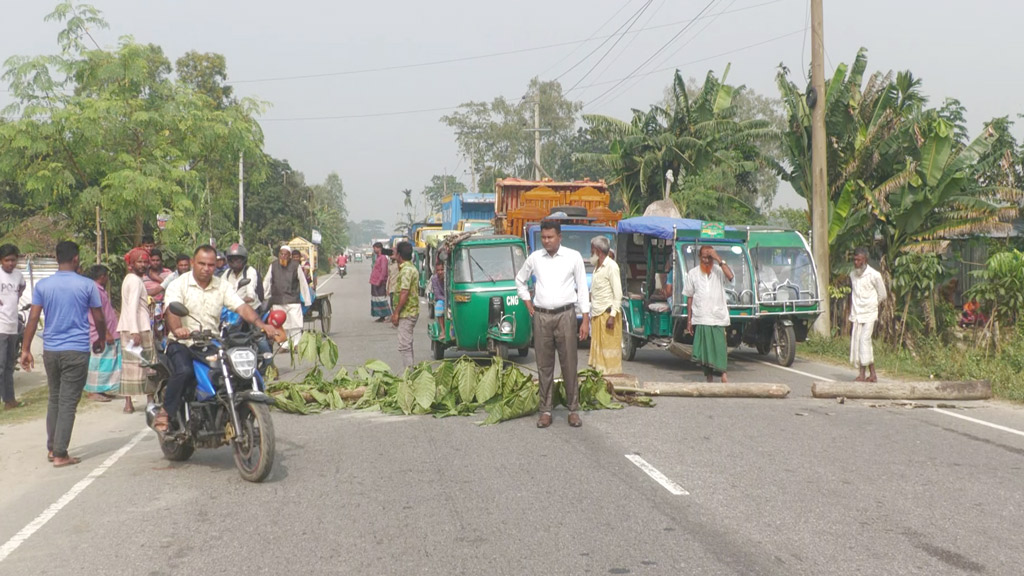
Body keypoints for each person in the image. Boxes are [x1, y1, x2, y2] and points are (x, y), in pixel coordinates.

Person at [154, 245, 278, 432]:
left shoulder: (221, 285)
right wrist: (178, 329)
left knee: (231, 370)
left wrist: (262, 325)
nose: (206, 268)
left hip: (211, 342)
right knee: (185, 371)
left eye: (211, 265)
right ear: (193, 263)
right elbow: (172, 310)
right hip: (183, 342)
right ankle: (166, 411)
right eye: (202, 263)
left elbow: (241, 307)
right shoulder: (178, 285)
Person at [20, 241, 106, 467]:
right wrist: (101, 338)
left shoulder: (43, 286)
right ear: (76, 259)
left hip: (51, 350)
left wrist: (26, 349)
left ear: (57, 258)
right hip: (76, 349)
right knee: (68, 401)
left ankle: (52, 448)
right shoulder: (87, 285)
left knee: (55, 398)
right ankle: (60, 453)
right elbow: (98, 317)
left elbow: (32, 318)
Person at [515, 220, 590, 429]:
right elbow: (520, 280)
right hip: (542, 317)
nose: (546, 241)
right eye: (544, 237)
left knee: (569, 364)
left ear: (560, 237)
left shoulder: (573, 257)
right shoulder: (535, 258)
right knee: (544, 366)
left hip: (566, 315)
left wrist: (585, 318)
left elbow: (582, 288)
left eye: (550, 237)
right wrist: (527, 302)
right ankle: (545, 411)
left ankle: (573, 410)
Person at [683, 245, 734, 383]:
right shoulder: (693, 274)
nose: (707, 260)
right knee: (705, 350)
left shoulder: (719, 270)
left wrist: (718, 258)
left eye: (709, 257)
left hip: (718, 316)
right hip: (701, 316)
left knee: (719, 347)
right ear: (700, 257)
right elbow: (689, 297)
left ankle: (723, 374)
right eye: (704, 257)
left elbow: (730, 276)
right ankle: (709, 377)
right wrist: (689, 320)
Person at [118, 247, 153, 414]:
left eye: (146, 262)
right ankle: (150, 400)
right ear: (131, 264)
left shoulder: (129, 279)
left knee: (129, 366)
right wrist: (135, 331)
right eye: (140, 262)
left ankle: (128, 403)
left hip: (127, 327)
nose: (144, 265)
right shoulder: (135, 281)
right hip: (138, 328)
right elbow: (132, 306)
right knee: (147, 364)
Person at [84, 265, 122, 404]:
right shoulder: (95, 291)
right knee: (98, 363)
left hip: (109, 331)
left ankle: (102, 389)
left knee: (107, 362)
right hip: (99, 334)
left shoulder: (100, 290)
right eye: (106, 276)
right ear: (102, 276)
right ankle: (93, 391)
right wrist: (105, 334)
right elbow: (98, 315)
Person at [849, 247, 887, 382]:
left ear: (865, 260)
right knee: (860, 342)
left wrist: (872, 305)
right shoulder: (853, 275)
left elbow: (882, 294)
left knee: (864, 340)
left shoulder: (874, 275)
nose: (856, 262)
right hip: (857, 313)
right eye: (854, 260)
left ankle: (862, 373)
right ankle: (872, 374)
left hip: (870, 313)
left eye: (858, 260)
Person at [263, 245, 311, 348]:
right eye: (281, 254)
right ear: (279, 254)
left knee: (295, 323)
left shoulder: (295, 266)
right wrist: (264, 296)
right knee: (281, 324)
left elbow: (303, 283)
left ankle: (296, 343)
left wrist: (307, 300)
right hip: (278, 300)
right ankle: (284, 345)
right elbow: (267, 281)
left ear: (290, 256)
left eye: (286, 254)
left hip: (292, 299)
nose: (283, 256)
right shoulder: (273, 266)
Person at [587, 236, 622, 375]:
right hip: (597, 315)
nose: (590, 254)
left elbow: (618, 293)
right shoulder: (597, 268)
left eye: (592, 251)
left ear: (598, 251)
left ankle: (612, 380)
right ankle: (600, 380)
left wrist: (612, 316)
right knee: (599, 354)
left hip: (608, 316)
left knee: (609, 355)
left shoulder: (612, 267)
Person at [0, 244, 26, 409]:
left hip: (12, 326)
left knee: (9, 365)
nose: (10, 263)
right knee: (0, 366)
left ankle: (9, 400)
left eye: (13, 260)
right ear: (1, 260)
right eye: (7, 260)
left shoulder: (18, 276)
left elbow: (22, 287)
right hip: (0, 328)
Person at [390, 242, 420, 369]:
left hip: (407, 312)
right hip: (412, 311)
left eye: (396, 251)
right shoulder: (410, 267)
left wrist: (396, 312)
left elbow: (404, 292)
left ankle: (408, 375)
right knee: (408, 343)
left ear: (400, 254)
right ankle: (410, 372)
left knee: (404, 346)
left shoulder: (406, 271)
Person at [223, 243, 260, 307]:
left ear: (244, 259)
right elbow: (220, 287)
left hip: (249, 308)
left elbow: (251, 296)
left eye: (237, 259)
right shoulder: (227, 273)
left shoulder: (250, 271)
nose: (235, 262)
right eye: (232, 259)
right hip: (231, 308)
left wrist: (236, 301)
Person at [369, 242, 390, 322]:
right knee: (376, 299)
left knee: (381, 299)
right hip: (374, 281)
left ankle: (384, 314)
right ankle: (381, 316)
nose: (374, 250)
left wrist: (379, 280)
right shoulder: (377, 258)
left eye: (375, 248)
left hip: (379, 282)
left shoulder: (383, 258)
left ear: (379, 248)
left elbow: (384, 271)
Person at [430, 260, 446, 335]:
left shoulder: (449, 276)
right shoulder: (434, 279)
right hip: (442, 299)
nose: (440, 272)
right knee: (439, 305)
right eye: (438, 270)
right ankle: (443, 331)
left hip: (451, 298)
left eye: (442, 270)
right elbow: (437, 295)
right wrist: (446, 300)